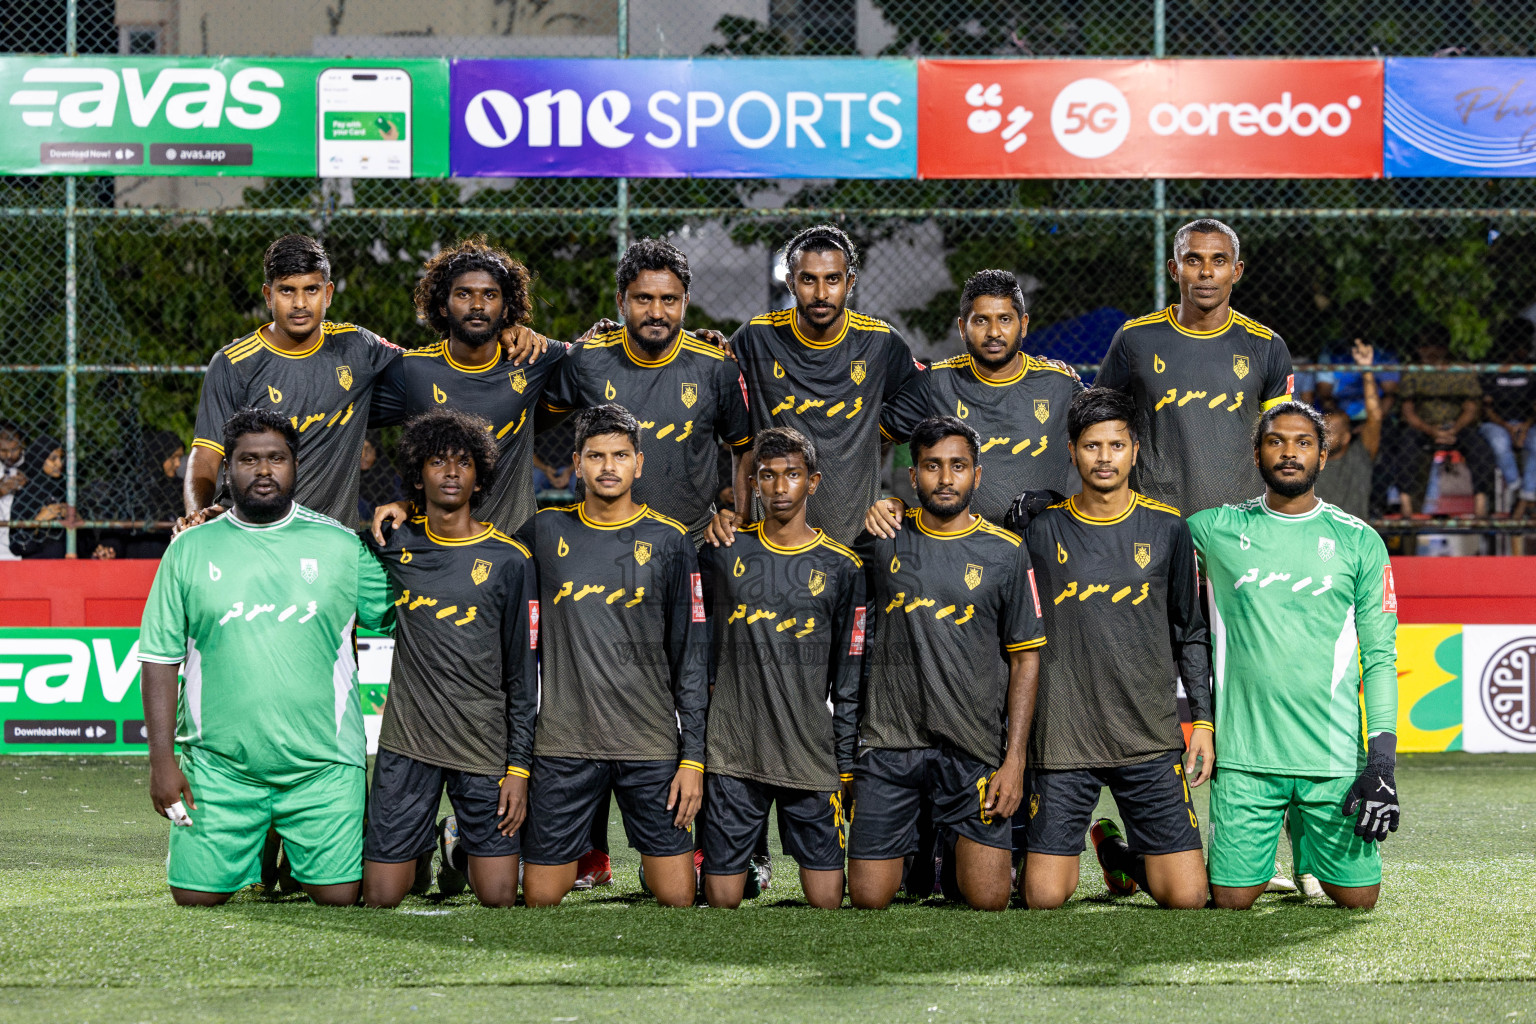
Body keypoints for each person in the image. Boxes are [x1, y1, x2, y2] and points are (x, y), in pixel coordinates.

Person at [137, 408, 394, 906]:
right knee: (193, 899)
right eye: (248, 459)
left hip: (322, 764)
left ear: (295, 465)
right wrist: (162, 764)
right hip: (219, 767)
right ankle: (239, 848)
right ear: (228, 469)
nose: (263, 470)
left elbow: (401, 618)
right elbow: (158, 660)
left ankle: (424, 844)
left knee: (339, 897)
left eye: (276, 458)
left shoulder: (340, 546)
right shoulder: (190, 550)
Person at [1189, 402, 1400, 910]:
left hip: (1331, 757)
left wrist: (1383, 764)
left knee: (1359, 900)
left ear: (1323, 456)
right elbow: (1138, 533)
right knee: (1232, 900)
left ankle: (1305, 844)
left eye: (1303, 442)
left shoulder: (1360, 542)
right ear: (1256, 454)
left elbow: (1379, 656)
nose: (1289, 452)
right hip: (1245, 756)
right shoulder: (1214, 529)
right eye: (1276, 441)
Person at [1018, 388, 1211, 910]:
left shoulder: (1168, 529)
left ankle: (1118, 854)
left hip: (1146, 737)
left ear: (1135, 450)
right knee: (1043, 897)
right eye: (1091, 446)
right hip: (1064, 740)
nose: (1104, 458)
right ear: (1072, 451)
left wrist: (1203, 725)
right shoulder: (1040, 531)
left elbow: (1190, 631)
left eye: (1116, 445)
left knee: (1189, 898)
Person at [514, 404, 709, 908]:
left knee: (678, 899)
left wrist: (693, 757)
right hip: (563, 744)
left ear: (638, 464)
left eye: (620, 455)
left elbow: (690, 656)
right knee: (539, 901)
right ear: (576, 463)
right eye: (596, 456)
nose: (608, 466)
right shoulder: (542, 533)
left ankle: (651, 865)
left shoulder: (670, 541)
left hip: (649, 744)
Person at [847, 416, 1044, 912]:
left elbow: (1026, 660)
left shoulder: (1005, 551)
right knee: (869, 899)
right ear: (913, 478)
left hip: (971, 747)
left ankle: (943, 849)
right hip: (891, 744)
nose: (945, 478)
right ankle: (920, 851)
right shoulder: (882, 537)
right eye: (932, 466)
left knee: (988, 899)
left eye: (958, 466)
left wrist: (1014, 760)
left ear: (977, 476)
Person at [361, 409, 537, 909]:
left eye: (463, 462)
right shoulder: (392, 542)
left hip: (482, 745)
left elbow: (523, 677)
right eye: (437, 462)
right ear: (418, 475)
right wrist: (390, 509)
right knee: (381, 898)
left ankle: (454, 844)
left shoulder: (510, 559)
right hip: (408, 740)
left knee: (500, 898)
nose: (452, 472)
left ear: (480, 474)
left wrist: (518, 770)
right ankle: (415, 850)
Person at [695, 427, 864, 909]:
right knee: (721, 901)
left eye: (792, 475)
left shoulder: (843, 567)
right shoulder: (722, 551)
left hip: (809, 751)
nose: (779, 487)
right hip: (734, 749)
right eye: (767, 476)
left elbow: (848, 677)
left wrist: (846, 762)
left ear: (813, 482)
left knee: (828, 902)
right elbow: (695, 647)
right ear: (754, 484)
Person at [181, 235, 405, 531]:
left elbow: (427, 376)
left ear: (327, 294)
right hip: (250, 535)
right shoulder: (234, 363)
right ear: (268, 295)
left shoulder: (358, 347)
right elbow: (206, 455)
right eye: (287, 290)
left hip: (329, 541)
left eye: (310, 290)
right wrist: (196, 517)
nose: (300, 303)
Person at [718, 225, 920, 547]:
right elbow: (715, 386)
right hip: (769, 543)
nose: (821, 293)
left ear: (849, 282)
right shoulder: (757, 337)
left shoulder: (879, 342)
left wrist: (877, 432)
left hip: (855, 538)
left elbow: (926, 397)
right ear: (791, 282)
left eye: (833, 279)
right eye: (808, 279)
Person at [539, 238, 753, 543]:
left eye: (669, 299)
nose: (656, 312)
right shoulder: (587, 360)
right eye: (642, 299)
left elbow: (744, 447)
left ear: (685, 302)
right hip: (598, 541)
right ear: (621, 302)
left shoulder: (716, 365)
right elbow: (529, 427)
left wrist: (739, 515)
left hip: (690, 542)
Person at [1096, 218, 1294, 517]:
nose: (1206, 272)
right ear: (1174, 270)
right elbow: (1097, 423)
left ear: (1236, 271)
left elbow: (1280, 440)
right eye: (1193, 260)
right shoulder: (1134, 338)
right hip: (1155, 518)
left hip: (1240, 522)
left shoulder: (1267, 345)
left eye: (1219, 260)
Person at [370, 237, 566, 534]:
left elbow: (593, 355)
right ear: (444, 306)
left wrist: (606, 327)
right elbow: (347, 412)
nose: (477, 305)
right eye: (464, 294)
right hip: (437, 547)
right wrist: (406, 503)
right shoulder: (412, 370)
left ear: (505, 307)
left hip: (515, 548)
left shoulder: (533, 356)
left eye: (490, 295)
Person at [867, 269, 1083, 536]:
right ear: (962, 327)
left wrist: (1068, 507)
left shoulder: (1059, 385)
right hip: (958, 552)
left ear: (1023, 324)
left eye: (1005, 319)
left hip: (1044, 549)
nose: (994, 332)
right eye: (981, 320)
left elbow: (1108, 449)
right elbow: (865, 437)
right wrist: (874, 500)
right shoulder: (937, 383)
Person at [1396, 331, 1495, 516]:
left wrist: (1455, 429)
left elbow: (1471, 407)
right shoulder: (1413, 370)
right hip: (1424, 426)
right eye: (1424, 346)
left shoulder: (1461, 369)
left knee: (1480, 447)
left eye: (1435, 345)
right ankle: (1406, 502)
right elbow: (1407, 410)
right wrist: (1430, 430)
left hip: (1458, 426)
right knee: (1406, 445)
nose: (1430, 351)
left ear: (1444, 348)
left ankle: (1481, 500)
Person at [1316, 341, 1382, 522]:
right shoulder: (1309, 461)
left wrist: (1367, 371)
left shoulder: (1359, 455)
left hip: (1353, 537)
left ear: (1346, 437)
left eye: (1331, 431)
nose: (1324, 434)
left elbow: (1375, 417)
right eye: (1322, 428)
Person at [1478, 363, 1536, 517]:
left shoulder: (1531, 371)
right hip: (1496, 424)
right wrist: (1507, 427)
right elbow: (1486, 409)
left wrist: (1524, 428)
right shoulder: (1491, 371)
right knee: (1500, 443)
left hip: (1526, 425)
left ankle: (1524, 498)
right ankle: (1517, 489)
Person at [8, 436, 67, 559]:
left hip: (68, 567)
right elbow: (16, 546)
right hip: (36, 568)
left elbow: (86, 538)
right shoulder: (27, 493)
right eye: (53, 459)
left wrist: (73, 515)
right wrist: (38, 520)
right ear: (39, 459)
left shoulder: (66, 488)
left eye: (61, 458)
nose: (59, 463)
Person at [357, 431, 402, 524]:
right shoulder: (350, 482)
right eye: (358, 451)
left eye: (367, 450)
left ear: (376, 451)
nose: (363, 456)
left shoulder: (393, 480)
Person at [0, 421, 26, 561]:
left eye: (14, 449)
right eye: (3, 450)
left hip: (21, 545)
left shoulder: (34, 463)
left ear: (22, 444)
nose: (9, 455)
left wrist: (29, 484)